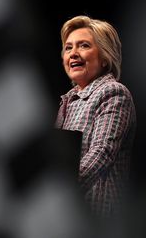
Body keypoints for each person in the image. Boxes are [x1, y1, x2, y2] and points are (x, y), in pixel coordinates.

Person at [55, 15, 136, 218]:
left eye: (83, 46)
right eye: (68, 48)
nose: (73, 54)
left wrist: (58, 187)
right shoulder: (67, 101)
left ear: (105, 57)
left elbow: (101, 154)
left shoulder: (113, 93)